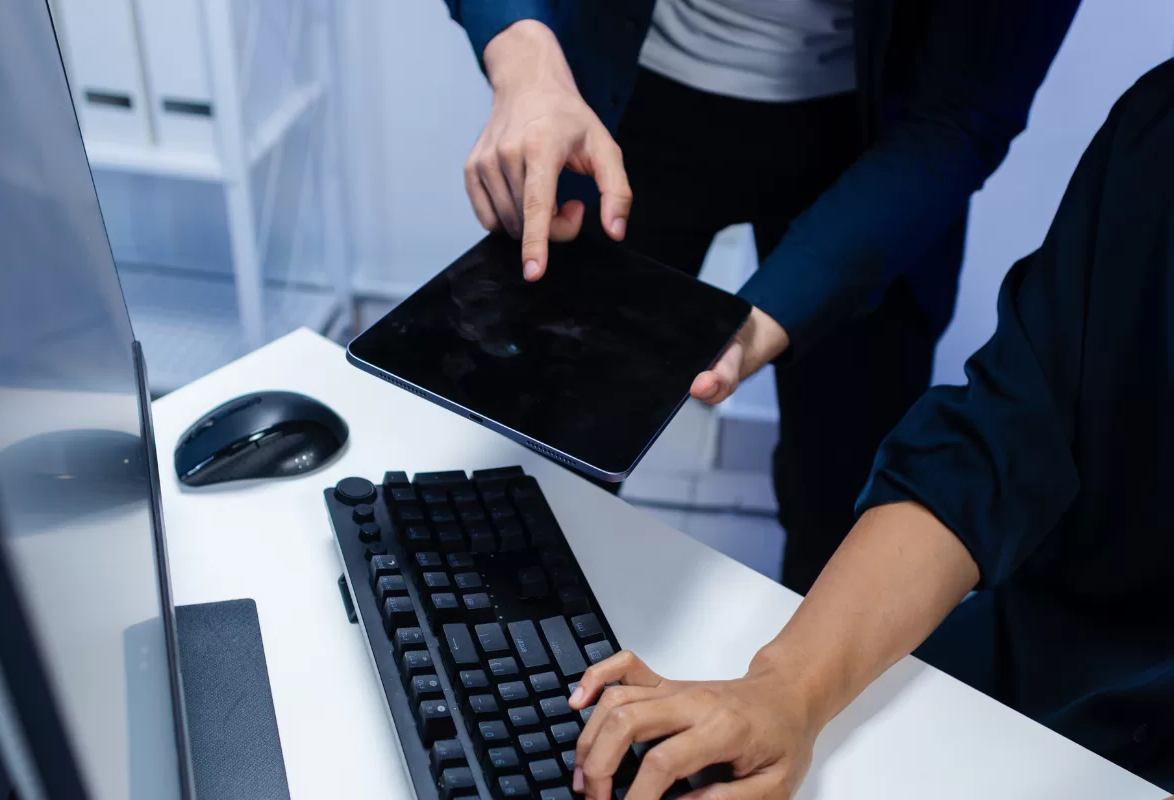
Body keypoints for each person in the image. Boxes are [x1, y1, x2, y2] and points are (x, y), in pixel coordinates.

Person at [558, 60, 1174, 799]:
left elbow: (955, 118)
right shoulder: (1157, 131)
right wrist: (783, 690)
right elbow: (999, 439)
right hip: (1032, 666)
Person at [441, 0, 1080, 593]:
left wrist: (770, 317)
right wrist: (523, 55)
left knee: (845, 494)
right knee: (546, 456)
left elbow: (962, 112)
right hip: (629, 91)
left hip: (873, 134)